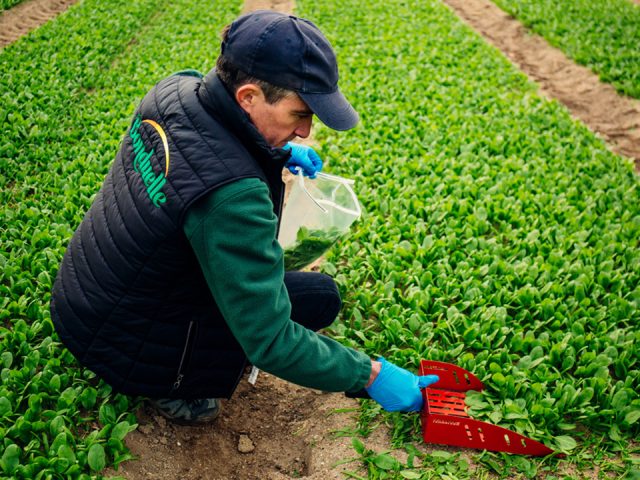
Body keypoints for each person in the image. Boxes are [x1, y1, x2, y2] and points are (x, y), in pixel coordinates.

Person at [50, 10, 438, 424]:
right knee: (232, 364)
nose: (306, 131)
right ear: (249, 97)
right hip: (122, 343)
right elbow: (269, 341)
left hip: (86, 298)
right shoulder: (233, 198)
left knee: (321, 297)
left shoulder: (171, 90)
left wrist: (279, 154)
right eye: (299, 114)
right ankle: (171, 387)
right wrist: (371, 376)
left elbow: (201, 145)